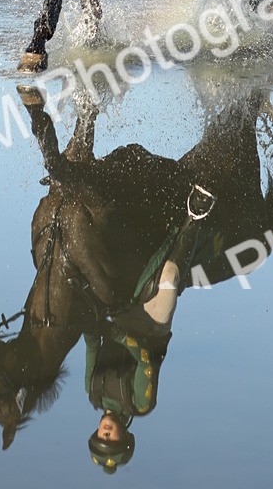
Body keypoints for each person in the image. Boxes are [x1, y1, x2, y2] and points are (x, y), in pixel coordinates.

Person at [86, 184, 215, 473]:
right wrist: (118, 334)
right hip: (151, 324)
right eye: (111, 439)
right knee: (169, 277)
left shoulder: (92, 392)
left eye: (100, 437)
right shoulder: (141, 405)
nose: (105, 434)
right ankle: (196, 216)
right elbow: (143, 357)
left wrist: (85, 322)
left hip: (118, 316)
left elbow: (93, 345)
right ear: (125, 436)